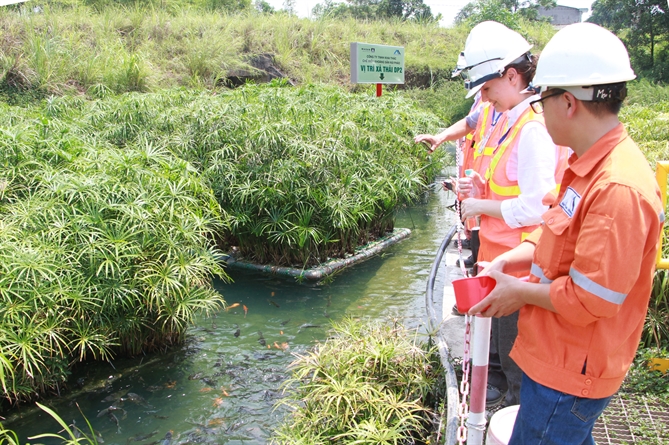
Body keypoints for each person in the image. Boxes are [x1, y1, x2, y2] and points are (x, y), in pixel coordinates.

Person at [470, 23, 664, 444]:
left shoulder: (616, 188)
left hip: (571, 371)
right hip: (556, 357)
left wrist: (518, 292)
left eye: (542, 99)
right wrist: (511, 259)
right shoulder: (586, 167)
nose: (538, 111)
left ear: (569, 103)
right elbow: (554, 233)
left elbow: (589, 298)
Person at [455, 21, 570, 408]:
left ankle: (518, 417)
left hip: (522, 264)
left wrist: (480, 206)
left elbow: (537, 205)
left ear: (511, 75)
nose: (484, 98)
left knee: (517, 355)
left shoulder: (532, 128)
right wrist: (478, 190)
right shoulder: (507, 119)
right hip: (500, 258)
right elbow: (505, 181)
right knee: (505, 348)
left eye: (487, 88)